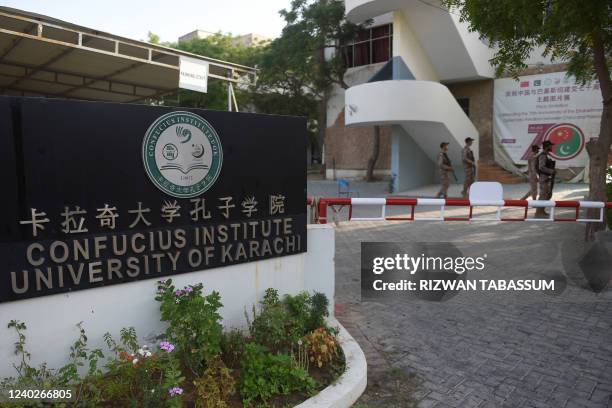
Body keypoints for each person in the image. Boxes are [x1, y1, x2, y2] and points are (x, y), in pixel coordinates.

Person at [535, 140, 556, 217]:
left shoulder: (546, 155)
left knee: (548, 195)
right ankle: (538, 212)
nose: (551, 147)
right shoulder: (543, 155)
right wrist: (551, 171)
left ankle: (542, 211)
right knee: (543, 195)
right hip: (544, 178)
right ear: (547, 146)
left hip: (547, 177)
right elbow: (541, 167)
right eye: (550, 146)